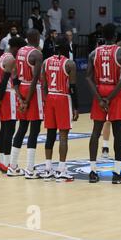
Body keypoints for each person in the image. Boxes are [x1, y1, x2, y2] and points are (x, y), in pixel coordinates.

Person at [86, 23, 121, 184]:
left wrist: (99, 98)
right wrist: (110, 97)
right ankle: (117, 173)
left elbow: (88, 77)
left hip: (99, 90)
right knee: (117, 133)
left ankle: (92, 171)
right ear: (115, 36)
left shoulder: (93, 53)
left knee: (96, 132)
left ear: (103, 36)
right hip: (115, 92)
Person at [39, 38, 79, 182]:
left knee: (50, 134)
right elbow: (73, 88)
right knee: (63, 135)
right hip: (62, 98)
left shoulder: (46, 62)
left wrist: (46, 101)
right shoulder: (69, 63)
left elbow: (43, 85)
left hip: (50, 97)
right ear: (66, 49)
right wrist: (76, 107)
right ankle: (61, 169)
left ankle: (48, 169)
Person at [7, 29, 44, 179]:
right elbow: (36, 78)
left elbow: (14, 74)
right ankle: (30, 169)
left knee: (22, 128)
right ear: (36, 37)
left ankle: (13, 166)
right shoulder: (37, 54)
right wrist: (27, 100)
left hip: (21, 87)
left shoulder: (20, 51)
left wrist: (20, 97)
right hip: (32, 90)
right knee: (34, 130)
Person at [0, 37, 25, 173]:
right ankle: (7, 163)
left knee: (4, 128)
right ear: (16, 48)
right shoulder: (11, 59)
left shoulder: (2, 57)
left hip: (2, 94)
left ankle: (1, 161)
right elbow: (5, 80)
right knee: (9, 130)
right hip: (8, 95)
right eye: (20, 49)